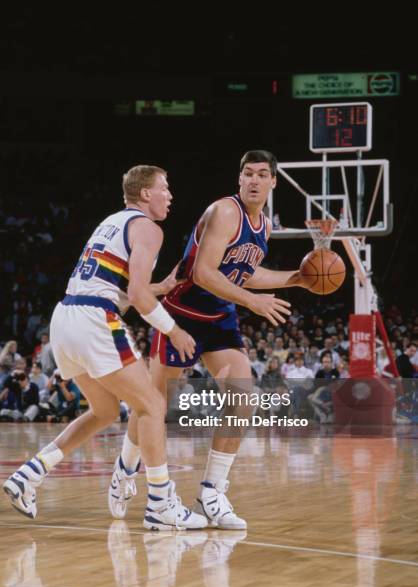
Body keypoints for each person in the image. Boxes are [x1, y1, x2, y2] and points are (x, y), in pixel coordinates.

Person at [111, 150, 310, 528]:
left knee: (244, 398)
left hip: (220, 318)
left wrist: (294, 278)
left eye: (261, 174)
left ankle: (212, 492)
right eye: (247, 173)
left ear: (273, 182)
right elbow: (203, 272)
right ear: (239, 179)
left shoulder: (263, 226)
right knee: (153, 404)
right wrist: (253, 301)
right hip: (182, 314)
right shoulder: (224, 212)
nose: (253, 180)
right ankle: (125, 468)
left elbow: (243, 273)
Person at [3, 164, 206, 531]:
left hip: (65, 318)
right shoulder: (148, 228)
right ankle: (160, 502)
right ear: (146, 194)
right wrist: (174, 330)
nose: (170, 196)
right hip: (94, 321)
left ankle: (29, 475)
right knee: (153, 405)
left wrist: (159, 287)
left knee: (105, 410)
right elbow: (138, 299)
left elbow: (122, 292)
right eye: (165, 187)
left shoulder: (111, 222)